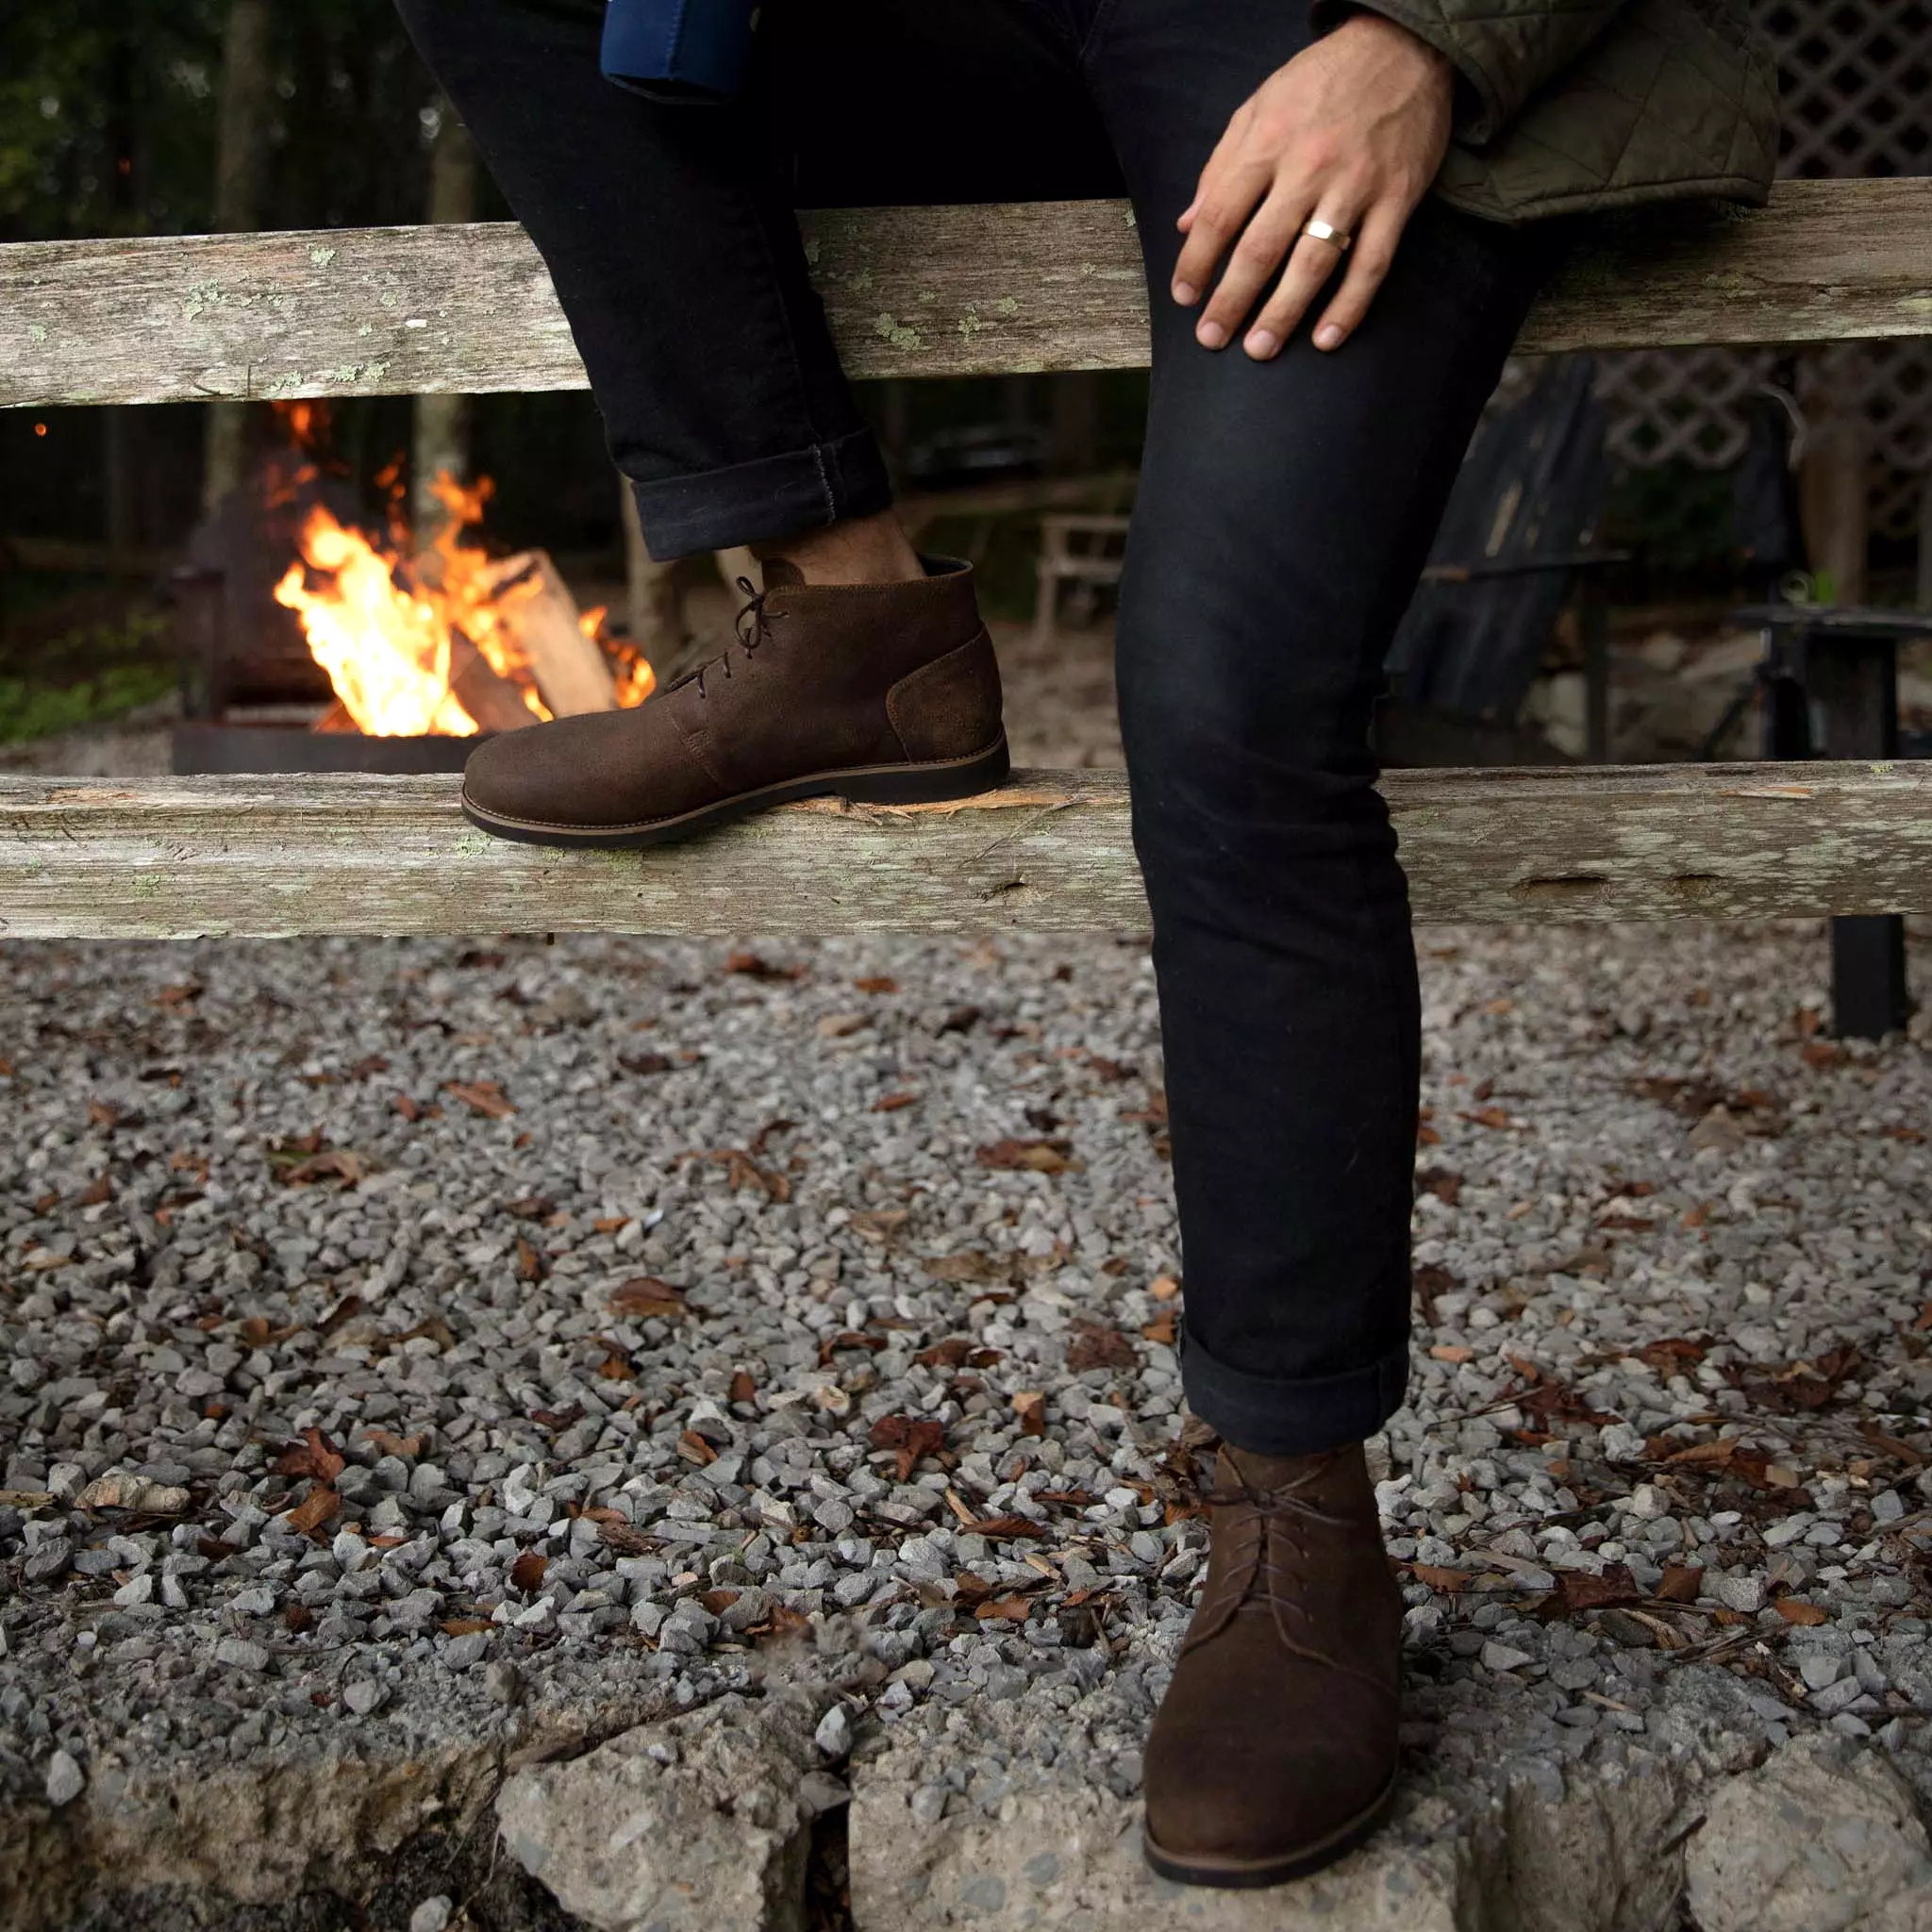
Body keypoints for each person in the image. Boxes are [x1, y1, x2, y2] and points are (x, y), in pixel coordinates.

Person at [394, 0, 1775, 1888]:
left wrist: (1425, 46)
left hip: (1321, 29)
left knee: (1224, 717)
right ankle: (847, 613)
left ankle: (1292, 1502)